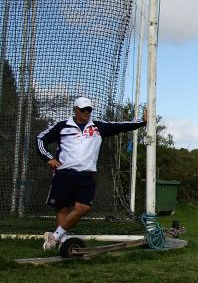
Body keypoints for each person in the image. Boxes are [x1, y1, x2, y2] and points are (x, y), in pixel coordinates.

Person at [36, 97, 148, 250]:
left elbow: (120, 126)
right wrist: (48, 158)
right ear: (75, 110)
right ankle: (63, 241)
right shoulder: (62, 126)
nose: (86, 113)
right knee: (62, 208)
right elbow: (40, 139)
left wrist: (142, 122)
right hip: (63, 174)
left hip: (86, 176)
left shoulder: (98, 127)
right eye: (83, 110)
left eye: (89, 110)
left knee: (83, 208)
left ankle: (54, 236)